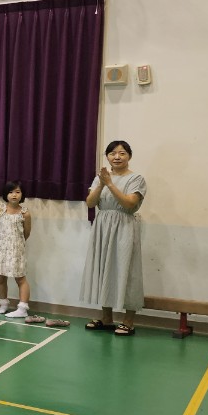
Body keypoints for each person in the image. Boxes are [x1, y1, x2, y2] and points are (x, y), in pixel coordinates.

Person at [81, 140, 146, 336]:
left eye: (122, 153)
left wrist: (109, 184)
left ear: (129, 156)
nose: (117, 157)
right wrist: (102, 183)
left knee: (128, 270)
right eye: (112, 153)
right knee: (104, 268)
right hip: (102, 226)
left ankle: (128, 321)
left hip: (124, 225)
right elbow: (90, 203)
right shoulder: (99, 178)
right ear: (107, 157)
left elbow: (129, 203)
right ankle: (107, 318)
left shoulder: (136, 179)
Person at [0, 180, 33, 319]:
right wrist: (1, 241)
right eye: (10, 192)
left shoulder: (25, 213)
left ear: (22, 194)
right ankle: (3, 303)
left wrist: (15, 243)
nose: (14, 195)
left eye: (17, 192)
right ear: (6, 194)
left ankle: (22, 308)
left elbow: (27, 232)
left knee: (20, 278)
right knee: (0, 277)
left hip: (16, 249)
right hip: (0, 248)